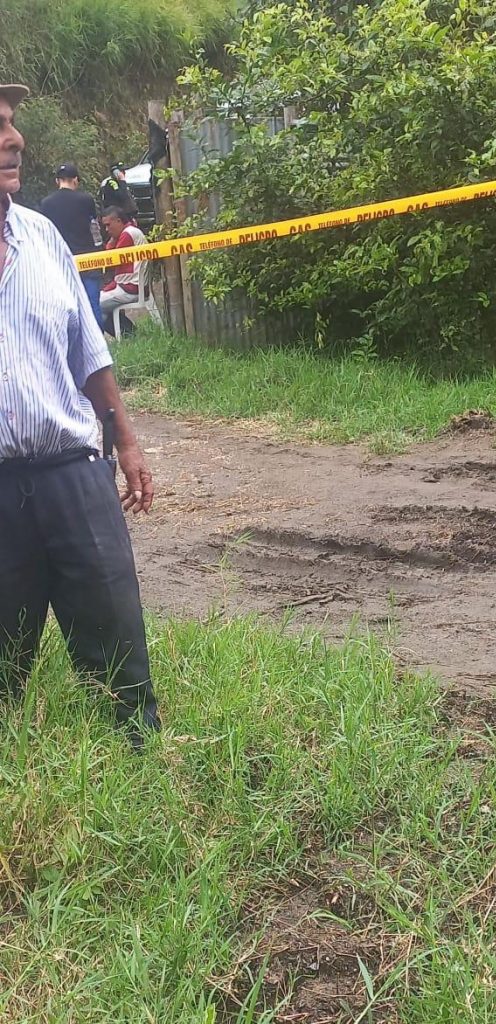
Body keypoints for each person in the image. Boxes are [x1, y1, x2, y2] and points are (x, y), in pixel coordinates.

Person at [0, 83, 160, 748]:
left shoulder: (41, 237)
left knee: (119, 657)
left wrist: (126, 441)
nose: (13, 139)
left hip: (73, 474)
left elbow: (87, 350)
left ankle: (139, 765)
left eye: (10, 123)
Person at [40, 161, 102, 325]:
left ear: (57, 181)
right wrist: (100, 251)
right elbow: (94, 228)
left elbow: (46, 234)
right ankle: (97, 337)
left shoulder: (46, 203)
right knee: (92, 304)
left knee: (66, 306)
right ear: (75, 180)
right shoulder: (86, 199)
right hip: (88, 260)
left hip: (60, 262)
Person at [100, 206, 147, 336]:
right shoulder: (130, 232)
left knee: (92, 306)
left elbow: (110, 261)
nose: (107, 230)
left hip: (130, 288)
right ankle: (129, 335)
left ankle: (129, 336)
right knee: (96, 304)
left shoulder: (127, 234)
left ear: (119, 221)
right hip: (129, 285)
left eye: (108, 225)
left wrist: (112, 242)